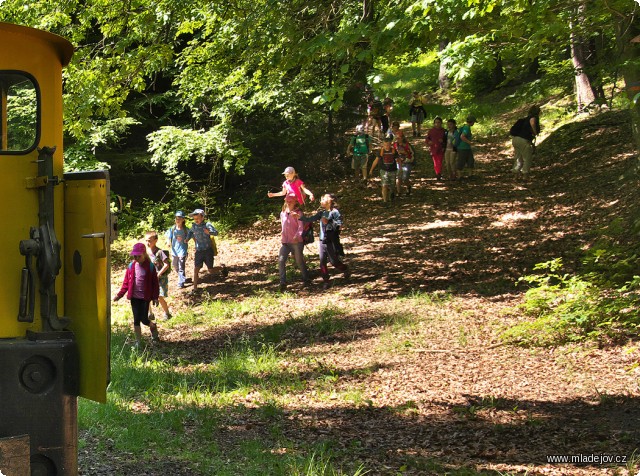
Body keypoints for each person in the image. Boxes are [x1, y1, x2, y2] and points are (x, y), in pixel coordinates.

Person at [113, 242, 160, 348]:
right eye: (135, 256)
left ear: (144, 254)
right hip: (134, 297)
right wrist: (119, 295)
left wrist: (155, 297)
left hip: (145, 297)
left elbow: (155, 284)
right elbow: (126, 283)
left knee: (144, 319)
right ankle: (138, 341)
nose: (137, 258)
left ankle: (152, 326)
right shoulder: (131, 266)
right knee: (136, 319)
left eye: (139, 256)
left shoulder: (150, 267)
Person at [301, 193, 350, 290]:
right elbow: (310, 219)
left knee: (333, 261)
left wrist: (329, 222)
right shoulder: (321, 213)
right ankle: (326, 280)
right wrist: (299, 217)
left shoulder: (335, 212)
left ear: (330, 200)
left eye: (323, 199)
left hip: (331, 240)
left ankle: (345, 269)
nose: (321, 201)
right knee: (322, 262)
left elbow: (340, 225)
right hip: (322, 241)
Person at [187, 209, 227, 292]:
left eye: (197, 218)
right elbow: (190, 232)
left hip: (208, 250)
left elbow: (216, 233)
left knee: (210, 270)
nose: (196, 220)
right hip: (199, 251)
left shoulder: (207, 225)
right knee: (196, 269)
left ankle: (222, 268)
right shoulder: (194, 226)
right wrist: (187, 239)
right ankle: (195, 289)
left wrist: (209, 232)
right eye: (195, 219)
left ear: (202, 217)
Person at [278, 194, 310, 292]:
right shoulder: (283, 212)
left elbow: (301, 226)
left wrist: (298, 235)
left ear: (295, 202)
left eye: (291, 201)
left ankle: (306, 278)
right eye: (287, 200)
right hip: (285, 242)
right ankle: (282, 282)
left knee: (299, 261)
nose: (288, 202)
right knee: (281, 260)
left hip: (296, 242)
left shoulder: (298, 213)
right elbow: (282, 226)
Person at [145, 231, 172, 320]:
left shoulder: (160, 252)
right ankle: (150, 313)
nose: (147, 243)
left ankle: (167, 313)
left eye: (150, 241)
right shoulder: (146, 252)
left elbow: (166, 264)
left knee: (159, 296)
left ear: (156, 240)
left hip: (160, 278)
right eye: (146, 241)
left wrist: (159, 274)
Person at [511, 105, 541, 182]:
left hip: (515, 139)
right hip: (524, 140)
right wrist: (535, 132)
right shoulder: (533, 117)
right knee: (527, 158)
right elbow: (533, 122)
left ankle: (516, 175)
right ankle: (525, 175)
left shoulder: (525, 119)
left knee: (518, 157)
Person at [369, 137, 399, 204]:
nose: (386, 147)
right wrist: (371, 170)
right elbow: (376, 161)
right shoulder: (380, 152)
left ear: (390, 144)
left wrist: (400, 168)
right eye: (385, 145)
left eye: (388, 145)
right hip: (383, 170)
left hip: (393, 170)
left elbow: (398, 160)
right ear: (383, 145)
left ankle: (392, 194)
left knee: (392, 185)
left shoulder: (394, 151)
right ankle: (385, 200)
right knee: (384, 185)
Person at [165, 210, 189, 289]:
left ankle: (180, 283)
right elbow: (168, 236)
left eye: (179, 218)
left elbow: (192, 235)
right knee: (175, 265)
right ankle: (182, 278)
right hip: (174, 251)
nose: (177, 220)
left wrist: (191, 241)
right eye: (176, 218)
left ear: (183, 220)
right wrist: (168, 241)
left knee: (181, 267)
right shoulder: (173, 229)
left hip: (182, 251)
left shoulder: (185, 229)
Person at [425, 116, 446, 181]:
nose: (437, 124)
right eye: (436, 122)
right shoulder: (431, 131)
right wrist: (429, 142)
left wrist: (443, 141)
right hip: (433, 149)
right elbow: (427, 139)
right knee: (435, 162)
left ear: (441, 123)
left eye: (439, 122)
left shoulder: (444, 131)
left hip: (441, 148)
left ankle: (438, 174)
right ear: (434, 123)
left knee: (439, 161)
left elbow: (448, 140)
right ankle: (438, 173)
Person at [456, 115, 477, 179]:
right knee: (461, 161)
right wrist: (470, 142)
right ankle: (460, 176)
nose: (474, 123)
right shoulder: (466, 128)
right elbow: (462, 136)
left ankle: (470, 175)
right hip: (463, 147)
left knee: (470, 160)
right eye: (473, 122)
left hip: (467, 147)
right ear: (472, 121)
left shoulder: (466, 127)